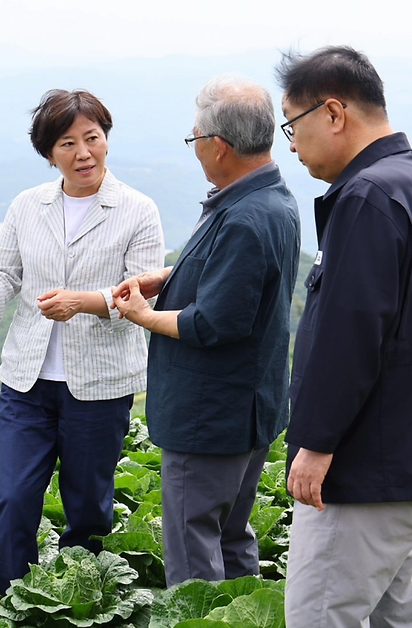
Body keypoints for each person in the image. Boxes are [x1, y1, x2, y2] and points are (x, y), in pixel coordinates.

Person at [276, 46, 412, 628]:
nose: (292, 145)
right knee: (396, 620)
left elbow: (353, 333)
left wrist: (318, 442)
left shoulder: (370, 195)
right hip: (398, 458)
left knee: (318, 618)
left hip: (360, 468)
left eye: (293, 126)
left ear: (333, 113)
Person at [0, 89, 164, 595]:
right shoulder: (28, 205)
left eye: (92, 139)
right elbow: (6, 271)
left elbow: (140, 295)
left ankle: (79, 600)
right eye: (67, 143)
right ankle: (11, 601)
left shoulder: (138, 210)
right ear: (50, 153)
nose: (83, 153)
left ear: (106, 139)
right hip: (27, 380)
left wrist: (85, 301)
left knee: (88, 506)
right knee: (12, 500)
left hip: (99, 384)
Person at [112, 75, 300, 586]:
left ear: (219, 147)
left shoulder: (244, 216)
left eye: (195, 139)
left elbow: (215, 321)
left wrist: (143, 316)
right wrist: (168, 277)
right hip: (248, 407)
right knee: (232, 535)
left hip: (211, 417)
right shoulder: (270, 199)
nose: (194, 148)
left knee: (194, 546)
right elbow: (238, 279)